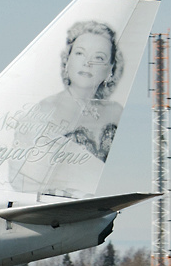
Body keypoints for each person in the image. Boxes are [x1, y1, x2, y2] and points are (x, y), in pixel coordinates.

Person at [8, 20, 123, 197]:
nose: (88, 63)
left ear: (110, 70)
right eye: (80, 53)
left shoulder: (116, 112)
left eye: (99, 57)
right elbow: (22, 181)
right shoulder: (44, 111)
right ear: (67, 60)